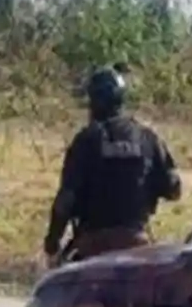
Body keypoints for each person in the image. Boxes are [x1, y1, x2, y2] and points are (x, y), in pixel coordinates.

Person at [43, 67, 181, 264]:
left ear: (94, 102)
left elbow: (65, 200)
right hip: (137, 243)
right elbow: (174, 190)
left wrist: (52, 243)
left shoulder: (86, 139)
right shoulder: (148, 138)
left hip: (92, 245)